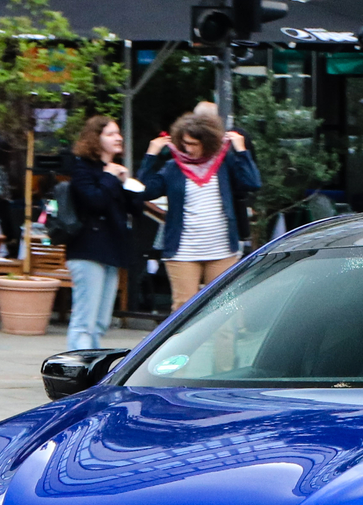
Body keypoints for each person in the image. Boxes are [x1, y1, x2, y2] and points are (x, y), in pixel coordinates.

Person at [141, 113, 260, 309]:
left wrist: (241, 150)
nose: (189, 149)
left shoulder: (223, 163)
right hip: (183, 252)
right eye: (185, 143)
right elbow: (145, 190)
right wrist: (151, 154)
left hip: (222, 250)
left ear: (208, 141)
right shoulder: (173, 167)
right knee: (183, 310)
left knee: (225, 310)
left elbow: (252, 183)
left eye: (195, 144)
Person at [63, 114, 142, 351]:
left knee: (100, 321)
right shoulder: (82, 169)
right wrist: (109, 177)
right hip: (87, 250)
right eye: (110, 134)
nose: (118, 138)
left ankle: (93, 369)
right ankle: (76, 370)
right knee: (84, 320)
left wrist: (127, 182)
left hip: (111, 251)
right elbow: (94, 201)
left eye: (118, 133)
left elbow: (135, 208)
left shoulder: (116, 172)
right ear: (95, 139)